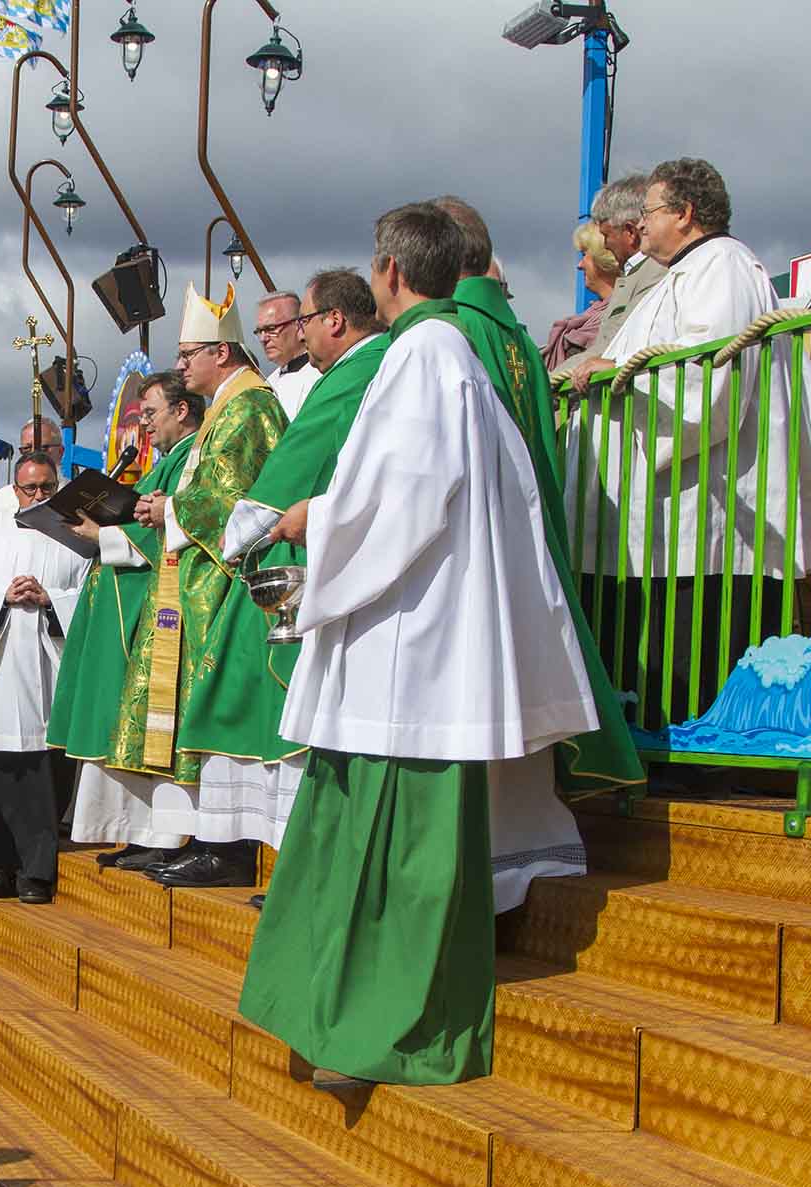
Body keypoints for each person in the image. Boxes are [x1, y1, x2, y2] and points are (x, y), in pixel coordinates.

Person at [239, 202, 598, 1088]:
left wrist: (306, 522)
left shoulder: (423, 355)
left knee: (392, 854)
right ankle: (332, 1019)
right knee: (373, 844)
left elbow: (395, 502)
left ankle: (373, 1035)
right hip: (416, 641)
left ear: (393, 274)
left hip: (407, 648)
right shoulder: (458, 354)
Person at [570, 158, 811, 729]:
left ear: (684, 214)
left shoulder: (722, 267)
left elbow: (710, 376)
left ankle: (707, 758)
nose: (644, 222)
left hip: (708, 506)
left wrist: (621, 373)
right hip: (681, 507)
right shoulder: (685, 272)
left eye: (653, 211)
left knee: (701, 643)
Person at [435, 194, 644, 907]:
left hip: (472, 556)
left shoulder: (449, 331)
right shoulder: (516, 336)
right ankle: (529, 860)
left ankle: (477, 881)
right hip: (526, 547)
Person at [69, 283, 288, 890]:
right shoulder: (228, 407)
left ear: (223, 352)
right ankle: (202, 837)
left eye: (190, 351)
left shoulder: (250, 408)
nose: (182, 362)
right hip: (192, 583)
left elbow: (236, 500)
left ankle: (227, 847)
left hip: (223, 586)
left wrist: (169, 508)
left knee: (215, 709)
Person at [176, 269, 389, 865]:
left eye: (301, 322)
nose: (291, 335)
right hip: (320, 541)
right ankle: (230, 840)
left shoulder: (320, 383)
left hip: (295, 550)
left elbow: (272, 484)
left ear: (332, 321)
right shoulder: (344, 373)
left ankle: (239, 847)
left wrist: (234, 532)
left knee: (244, 673)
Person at [48, 372, 201, 870]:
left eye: (151, 414)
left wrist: (103, 536)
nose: (145, 427)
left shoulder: (194, 459)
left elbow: (175, 536)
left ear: (182, 410)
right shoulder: (164, 463)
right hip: (122, 603)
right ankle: (135, 830)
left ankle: (163, 834)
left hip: (157, 611)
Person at [0, 451, 90, 902]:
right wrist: (1, 596)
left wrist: (51, 600)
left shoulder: (75, 532)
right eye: (30, 488)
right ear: (14, 487)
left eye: (47, 487)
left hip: (47, 667)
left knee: (41, 775)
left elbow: (91, 591)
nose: (40, 496)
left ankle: (37, 873)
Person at [560, 173, 668, 372]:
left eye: (606, 235)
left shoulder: (655, 274)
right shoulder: (636, 276)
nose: (605, 244)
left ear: (629, 232)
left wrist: (546, 384)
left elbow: (612, 347)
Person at [543, 222, 621, 370]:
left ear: (603, 258)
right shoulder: (590, 317)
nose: (579, 265)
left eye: (585, 255)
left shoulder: (620, 314)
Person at [255, 291, 320, 419]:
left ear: (298, 326)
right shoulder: (267, 383)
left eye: (271, 329)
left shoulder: (319, 377)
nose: (263, 338)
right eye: (259, 331)